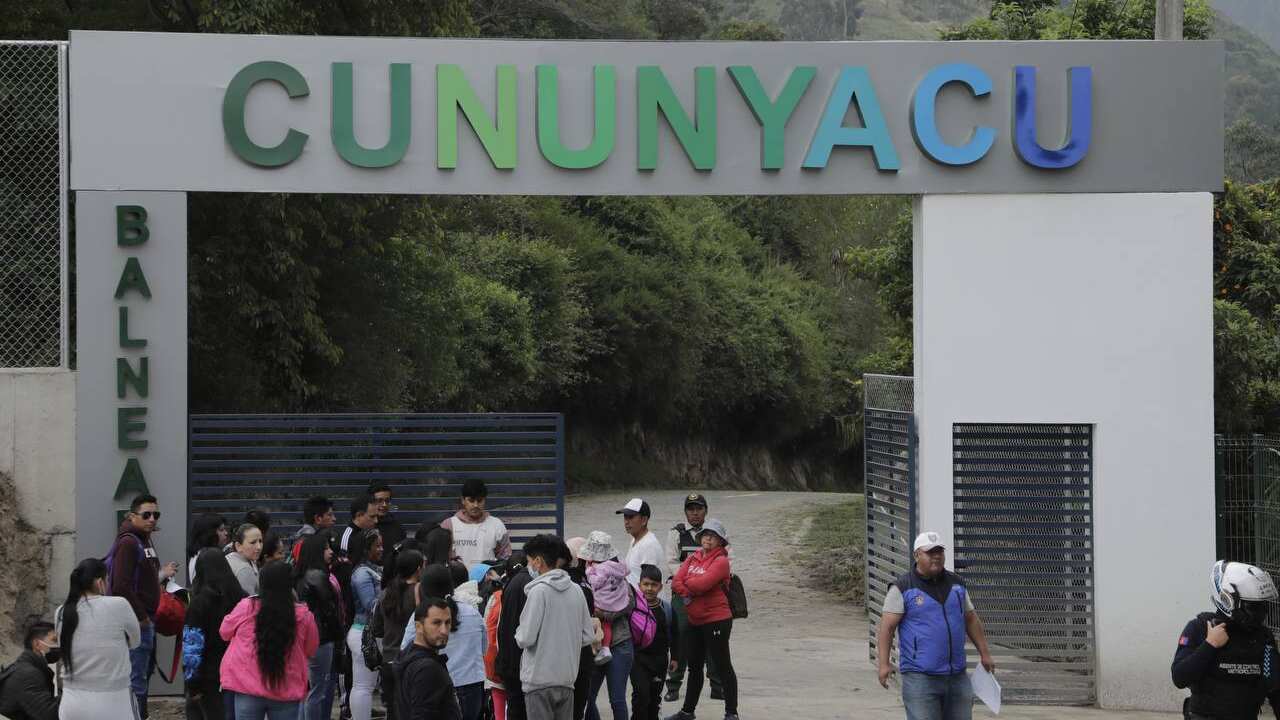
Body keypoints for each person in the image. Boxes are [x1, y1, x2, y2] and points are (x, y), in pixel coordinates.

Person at [876, 531, 994, 720]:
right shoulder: (902, 587)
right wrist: (883, 664)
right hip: (920, 678)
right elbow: (886, 628)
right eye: (930, 552)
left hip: (957, 676)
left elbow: (970, 618)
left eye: (939, 551)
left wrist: (985, 654)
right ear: (917, 555)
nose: (936, 556)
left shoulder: (957, 584)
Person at [1172, 560, 1280, 719]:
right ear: (1227, 600)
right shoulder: (1200, 628)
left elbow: (1275, 690)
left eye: (1262, 607)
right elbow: (1180, 677)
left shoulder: (1262, 637)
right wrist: (1210, 645)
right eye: (1253, 607)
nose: (1260, 614)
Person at [107, 493, 178, 719]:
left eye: (155, 514)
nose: (152, 519)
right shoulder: (129, 542)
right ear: (132, 516)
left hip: (145, 620)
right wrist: (142, 618)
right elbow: (120, 586)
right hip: (137, 622)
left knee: (142, 675)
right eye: (146, 514)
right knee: (136, 679)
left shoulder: (143, 539)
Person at [220, 561, 320, 720]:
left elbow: (224, 632)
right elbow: (311, 649)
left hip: (247, 686)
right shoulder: (303, 615)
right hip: (287, 688)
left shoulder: (247, 607)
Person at [515, 534, 594, 720]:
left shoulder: (538, 592)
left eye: (529, 561)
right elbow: (588, 636)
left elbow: (525, 638)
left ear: (538, 561)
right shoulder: (576, 590)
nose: (529, 566)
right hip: (567, 680)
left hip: (538, 683)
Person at [667, 519, 739, 720]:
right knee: (695, 667)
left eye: (713, 535)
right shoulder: (693, 558)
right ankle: (687, 711)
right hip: (695, 620)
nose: (708, 537)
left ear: (720, 541)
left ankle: (731, 713)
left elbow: (701, 585)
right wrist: (691, 586)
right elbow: (676, 583)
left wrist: (689, 585)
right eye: (706, 534)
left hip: (717, 620)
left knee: (722, 665)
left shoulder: (721, 561)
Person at [56, 558, 142, 719]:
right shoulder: (119, 604)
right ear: (99, 582)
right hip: (113, 699)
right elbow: (136, 641)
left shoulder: (62, 612)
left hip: (71, 702)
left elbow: (65, 645)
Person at [664, 494, 717, 704]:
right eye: (691, 509)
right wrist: (693, 581)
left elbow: (725, 558)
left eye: (699, 508)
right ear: (685, 512)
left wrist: (705, 581)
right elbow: (671, 562)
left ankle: (717, 685)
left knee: (713, 638)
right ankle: (674, 685)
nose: (695, 513)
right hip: (684, 594)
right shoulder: (676, 533)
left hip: (708, 595)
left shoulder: (715, 533)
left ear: (706, 510)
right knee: (680, 638)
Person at [183, 548, 248, 720]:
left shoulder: (199, 603)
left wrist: (192, 684)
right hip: (239, 673)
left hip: (209, 676)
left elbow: (192, 646)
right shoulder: (242, 599)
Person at [579, 531, 635, 720]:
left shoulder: (617, 579)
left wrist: (603, 613)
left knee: (617, 699)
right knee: (588, 696)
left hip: (621, 642)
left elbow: (630, 603)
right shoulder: (584, 578)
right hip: (595, 644)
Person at [294, 533, 344, 720]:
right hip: (320, 638)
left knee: (305, 691)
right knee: (317, 691)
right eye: (325, 548)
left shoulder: (300, 574)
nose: (330, 552)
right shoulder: (317, 575)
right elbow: (329, 610)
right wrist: (338, 632)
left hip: (304, 637)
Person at [371, 549, 424, 720]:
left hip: (389, 660)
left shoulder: (386, 592)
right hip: (413, 659)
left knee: (393, 712)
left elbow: (377, 628)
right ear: (418, 569)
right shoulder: (420, 592)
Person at [397, 596, 462, 720]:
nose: (444, 630)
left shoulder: (407, 654)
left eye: (447, 623)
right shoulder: (427, 668)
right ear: (418, 627)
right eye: (436, 623)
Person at [632, 565, 677, 720]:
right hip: (638, 659)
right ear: (639, 586)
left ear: (660, 587)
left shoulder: (667, 609)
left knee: (654, 698)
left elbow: (675, 635)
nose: (649, 588)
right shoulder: (633, 608)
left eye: (654, 585)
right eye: (646, 584)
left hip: (660, 660)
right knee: (641, 695)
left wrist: (675, 657)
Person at [348, 529, 384, 720]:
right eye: (377, 545)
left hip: (365, 632)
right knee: (363, 686)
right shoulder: (362, 573)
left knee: (363, 685)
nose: (381, 549)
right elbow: (371, 605)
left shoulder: (372, 569)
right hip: (364, 632)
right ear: (366, 548)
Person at [447, 562, 488, 720]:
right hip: (472, 680)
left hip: (446, 679)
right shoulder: (473, 608)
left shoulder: (431, 610)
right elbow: (484, 646)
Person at [497, 553, 535, 720]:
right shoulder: (529, 585)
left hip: (509, 661)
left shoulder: (510, 585)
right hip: (521, 661)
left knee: (515, 708)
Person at [442, 479, 512, 567]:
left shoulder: (497, 525)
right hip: (457, 580)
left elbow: (506, 557)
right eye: (471, 500)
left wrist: (495, 573)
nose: (475, 505)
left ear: (484, 500)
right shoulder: (448, 525)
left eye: (479, 501)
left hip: (487, 580)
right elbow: (439, 557)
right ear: (463, 500)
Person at [0, 619, 60, 720]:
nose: (58, 645)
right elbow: (51, 715)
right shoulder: (27, 674)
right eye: (54, 640)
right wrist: (69, 687)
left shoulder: (25, 667)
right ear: (37, 644)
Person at [618, 499, 664, 588]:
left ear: (644, 520)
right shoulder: (635, 540)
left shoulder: (649, 545)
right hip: (636, 599)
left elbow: (651, 586)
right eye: (625, 517)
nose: (626, 522)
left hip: (645, 600)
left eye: (631, 517)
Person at [290, 497, 335, 563]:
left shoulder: (314, 536)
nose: (334, 519)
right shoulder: (308, 541)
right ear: (317, 518)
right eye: (329, 515)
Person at [188, 513, 229, 583]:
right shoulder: (208, 557)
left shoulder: (200, 554)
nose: (226, 533)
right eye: (221, 530)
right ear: (209, 533)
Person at [226, 523, 264, 596]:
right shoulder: (244, 570)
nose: (259, 547)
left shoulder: (230, 557)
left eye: (260, 541)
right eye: (253, 542)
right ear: (238, 546)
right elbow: (250, 605)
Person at [369, 482, 408, 551]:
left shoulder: (397, 527)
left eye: (387, 501)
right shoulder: (364, 525)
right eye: (379, 500)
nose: (384, 504)